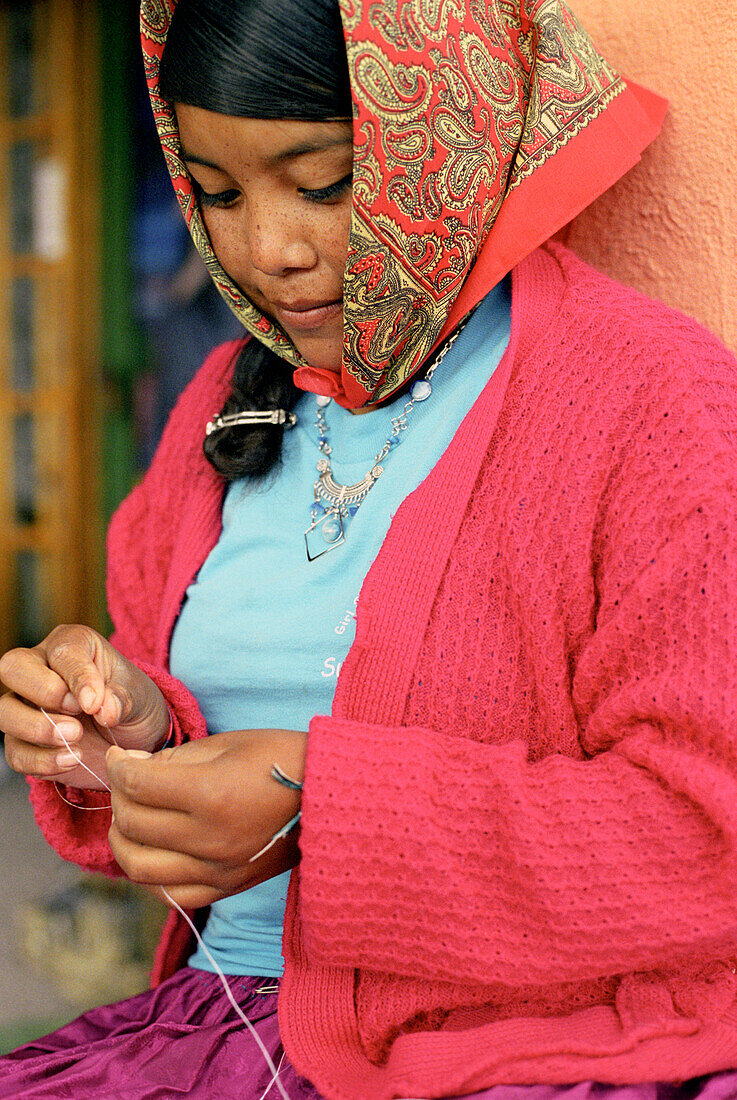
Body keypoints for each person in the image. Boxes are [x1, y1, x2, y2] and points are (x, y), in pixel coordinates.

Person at [1, 0, 737, 1097]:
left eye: (325, 181)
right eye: (215, 190)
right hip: (218, 1031)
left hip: (531, 1051)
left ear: (446, 137)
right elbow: (168, 746)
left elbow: (702, 839)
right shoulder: (219, 403)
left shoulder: (653, 405)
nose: (265, 251)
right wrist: (128, 726)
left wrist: (319, 807)